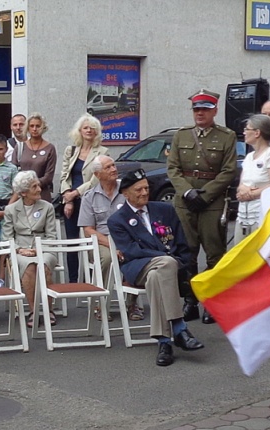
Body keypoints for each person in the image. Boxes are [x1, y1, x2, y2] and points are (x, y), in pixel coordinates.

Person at [108, 169, 204, 367]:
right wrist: (165, 257)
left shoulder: (165, 210)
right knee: (164, 264)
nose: (144, 193)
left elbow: (182, 242)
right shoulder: (117, 220)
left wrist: (179, 262)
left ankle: (164, 343)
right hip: (138, 267)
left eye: (146, 188)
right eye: (138, 190)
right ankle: (179, 328)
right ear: (125, 193)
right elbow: (132, 251)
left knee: (157, 276)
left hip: (165, 268)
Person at [166, 89, 238, 324]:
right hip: (185, 202)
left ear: (214, 110)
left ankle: (212, 302)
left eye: (205, 109)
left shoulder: (226, 136)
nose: (200, 113)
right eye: (196, 109)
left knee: (214, 255)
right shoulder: (181, 135)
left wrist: (204, 195)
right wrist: (187, 192)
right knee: (186, 254)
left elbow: (228, 172)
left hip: (212, 203)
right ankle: (190, 301)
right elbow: (173, 169)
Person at [78, 155, 143, 321]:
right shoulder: (89, 196)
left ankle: (132, 304)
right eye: (108, 167)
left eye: (113, 165)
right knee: (107, 258)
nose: (114, 169)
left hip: (127, 237)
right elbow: (88, 229)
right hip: (101, 240)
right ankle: (102, 304)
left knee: (134, 254)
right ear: (98, 174)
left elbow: (140, 216)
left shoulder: (127, 191)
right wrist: (112, 245)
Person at [58, 114, 110, 283]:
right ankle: (73, 281)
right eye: (86, 127)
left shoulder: (102, 152)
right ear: (79, 131)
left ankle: (93, 280)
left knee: (90, 242)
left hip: (91, 200)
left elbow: (95, 180)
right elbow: (64, 175)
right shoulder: (70, 150)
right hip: (70, 202)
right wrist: (69, 198)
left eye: (92, 128)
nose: (89, 130)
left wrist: (75, 193)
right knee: (72, 242)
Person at [3, 170, 58, 327]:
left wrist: (38, 249)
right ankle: (34, 310)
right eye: (34, 187)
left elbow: (52, 236)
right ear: (23, 192)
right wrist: (20, 250)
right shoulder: (11, 210)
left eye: (38, 186)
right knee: (29, 266)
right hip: (20, 250)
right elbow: (7, 238)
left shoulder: (47, 207)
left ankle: (48, 309)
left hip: (45, 248)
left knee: (44, 264)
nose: (39, 189)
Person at [235, 114, 270, 242]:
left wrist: (251, 194)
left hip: (261, 216)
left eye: (247, 129)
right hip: (243, 216)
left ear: (257, 132)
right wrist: (242, 191)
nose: (244, 132)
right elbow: (242, 183)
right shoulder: (249, 156)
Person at [18, 113, 57, 202]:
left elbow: (49, 176)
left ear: (43, 127)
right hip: (22, 195)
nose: (34, 129)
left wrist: (33, 186)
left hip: (42, 194)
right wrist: (25, 187)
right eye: (32, 126)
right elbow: (14, 170)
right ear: (28, 128)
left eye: (38, 126)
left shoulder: (50, 148)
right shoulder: (20, 147)